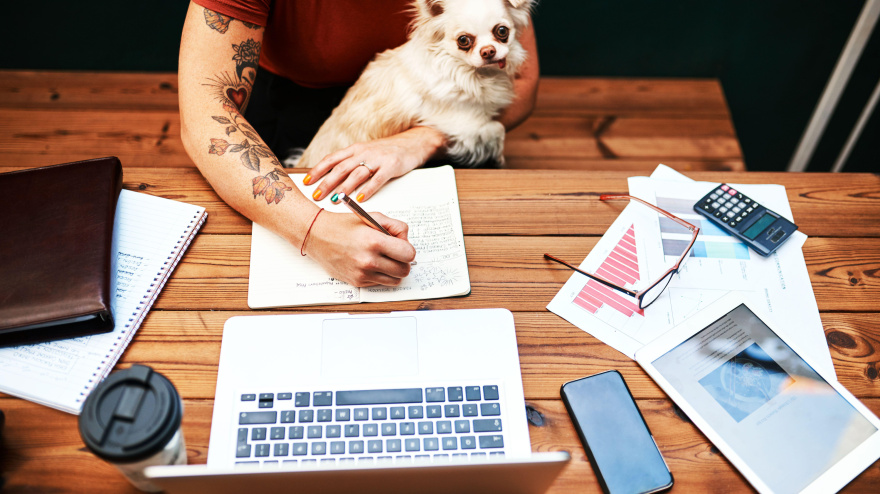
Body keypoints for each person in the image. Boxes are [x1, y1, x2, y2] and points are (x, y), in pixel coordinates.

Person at [178, 0, 540, 287]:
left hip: (453, 106)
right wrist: (312, 229)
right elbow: (203, 113)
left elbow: (521, 80)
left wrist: (427, 137)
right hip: (297, 104)